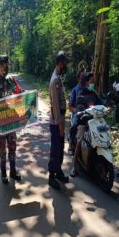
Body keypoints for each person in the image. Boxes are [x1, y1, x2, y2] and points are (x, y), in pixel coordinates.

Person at [0, 55, 23, 184]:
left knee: (12, 147)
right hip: (1, 122)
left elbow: (18, 93)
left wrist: (28, 95)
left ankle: (13, 172)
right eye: (2, 66)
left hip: (11, 121)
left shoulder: (11, 80)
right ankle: (3, 174)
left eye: (6, 65)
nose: (4, 68)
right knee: (2, 149)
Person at [70, 72, 103, 177]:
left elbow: (101, 103)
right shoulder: (81, 94)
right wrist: (81, 112)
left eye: (94, 81)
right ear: (87, 82)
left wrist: (107, 107)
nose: (93, 83)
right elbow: (78, 106)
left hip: (95, 122)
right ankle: (73, 167)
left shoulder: (94, 93)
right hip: (84, 122)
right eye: (91, 81)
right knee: (79, 141)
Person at [48, 51, 70, 190]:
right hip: (57, 121)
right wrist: (61, 125)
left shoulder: (58, 77)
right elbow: (56, 106)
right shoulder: (55, 80)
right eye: (64, 63)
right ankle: (51, 176)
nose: (65, 65)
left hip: (59, 120)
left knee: (60, 148)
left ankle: (59, 171)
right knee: (55, 150)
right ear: (59, 63)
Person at [68, 68, 86, 155]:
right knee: (74, 127)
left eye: (85, 76)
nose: (84, 78)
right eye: (82, 76)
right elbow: (70, 107)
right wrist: (77, 111)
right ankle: (71, 144)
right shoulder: (75, 90)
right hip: (77, 114)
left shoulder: (88, 89)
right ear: (78, 78)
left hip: (88, 114)